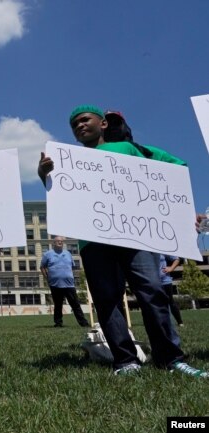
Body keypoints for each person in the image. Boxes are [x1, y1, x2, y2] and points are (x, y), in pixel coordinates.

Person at [37, 105, 207, 377]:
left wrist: (183, 210)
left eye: (84, 120)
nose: (79, 126)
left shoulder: (129, 150)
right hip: (93, 242)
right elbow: (58, 195)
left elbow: (175, 169)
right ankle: (125, 360)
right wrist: (43, 173)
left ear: (102, 124)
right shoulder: (67, 160)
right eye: (74, 125)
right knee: (107, 300)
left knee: (152, 291)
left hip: (137, 236)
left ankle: (170, 358)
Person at [40, 236, 90, 328]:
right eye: (58, 241)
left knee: (75, 304)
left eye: (61, 241)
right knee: (58, 305)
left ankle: (84, 323)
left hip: (69, 284)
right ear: (53, 243)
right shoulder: (48, 254)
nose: (60, 242)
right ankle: (58, 323)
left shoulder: (68, 253)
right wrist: (47, 278)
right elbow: (42, 267)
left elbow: (72, 267)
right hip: (55, 284)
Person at [159, 254, 184, 327]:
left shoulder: (162, 249)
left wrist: (171, 268)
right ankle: (162, 323)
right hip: (152, 281)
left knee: (170, 301)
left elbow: (176, 259)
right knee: (157, 303)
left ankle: (180, 322)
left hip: (165, 281)